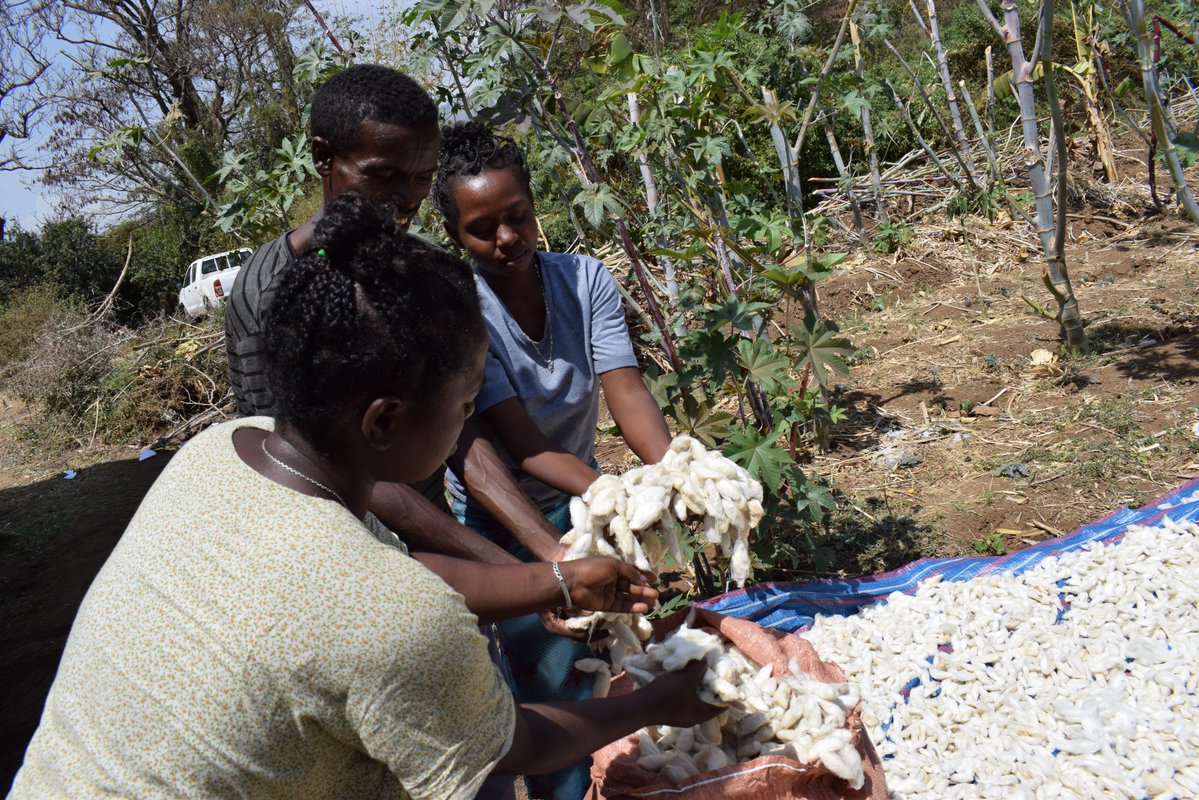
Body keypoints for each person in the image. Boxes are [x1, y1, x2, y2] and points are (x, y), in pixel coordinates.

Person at [9, 194, 719, 800]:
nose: (468, 422)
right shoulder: (393, 622)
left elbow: (384, 579)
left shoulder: (224, 450)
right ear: (383, 421)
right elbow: (513, 744)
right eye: (465, 403)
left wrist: (555, 581)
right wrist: (658, 701)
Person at [223, 64, 582, 635]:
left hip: (436, 539)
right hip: (354, 575)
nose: (406, 199)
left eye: (421, 178)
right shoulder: (270, 295)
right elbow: (318, 467)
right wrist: (518, 573)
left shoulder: (410, 266)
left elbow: (459, 427)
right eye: (384, 175)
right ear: (323, 157)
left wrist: (547, 555)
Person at [432, 121, 676, 800]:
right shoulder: (462, 309)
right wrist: (614, 499)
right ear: (454, 233)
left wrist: (674, 475)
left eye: (518, 216)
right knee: (546, 686)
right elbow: (520, 444)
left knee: (593, 664)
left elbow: (625, 389)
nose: (507, 238)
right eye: (483, 229)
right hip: (500, 516)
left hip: (577, 502)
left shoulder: (584, 280)